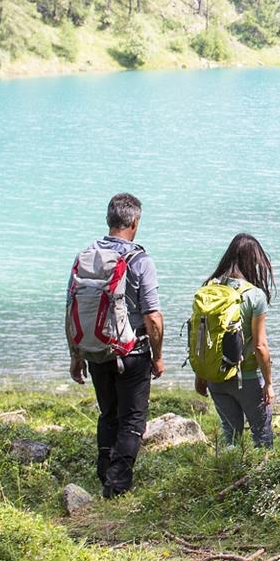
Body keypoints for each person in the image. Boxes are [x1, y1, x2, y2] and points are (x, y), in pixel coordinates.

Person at [66, 193, 164, 497]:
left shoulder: (86, 255)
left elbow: (72, 307)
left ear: (110, 220)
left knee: (108, 413)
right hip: (132, 351)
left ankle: (104, 473)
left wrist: (76, 355)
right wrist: (158, 357)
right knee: (132, 419)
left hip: (96, 348)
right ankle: (117, 485)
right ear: (134, 221)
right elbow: (153, 317)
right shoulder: (139, 260)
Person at [198, 232, 276, 447]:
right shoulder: (255, 295)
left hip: (215, 377)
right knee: (262, 436)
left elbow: (201, 337)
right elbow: (260, 346)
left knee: (230, 436)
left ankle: (228, 475)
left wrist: (201, 374)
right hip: (247, 377)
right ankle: (263, 478)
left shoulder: (208, 289)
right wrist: (268, 383)